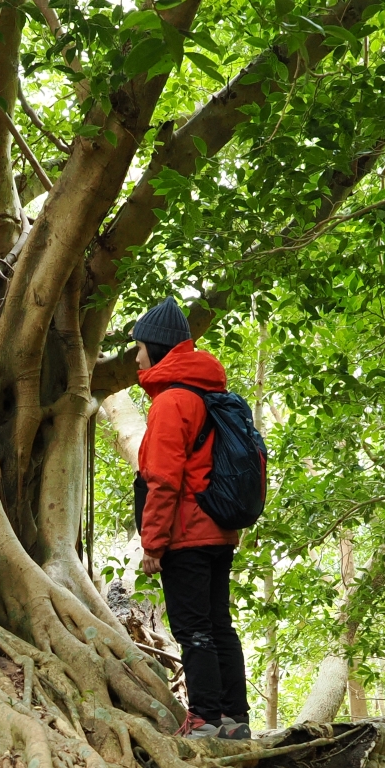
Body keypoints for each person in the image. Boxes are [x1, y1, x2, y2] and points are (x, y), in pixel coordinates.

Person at [131, 300, 251, 740]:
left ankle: (204, 719)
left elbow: (163, 480)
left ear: (159, 349)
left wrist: (153, 544)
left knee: (193, 628)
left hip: (186, 535)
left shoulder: (172, 402)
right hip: (220, 532)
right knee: (219, 624)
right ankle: (234, 721)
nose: (137, 357)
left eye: (141, 348)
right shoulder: (210, 395)